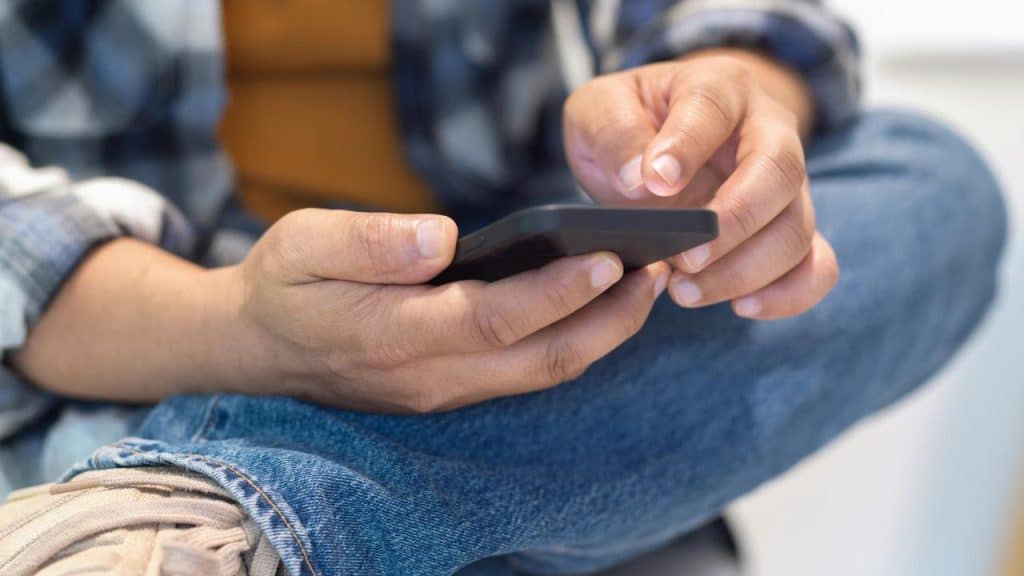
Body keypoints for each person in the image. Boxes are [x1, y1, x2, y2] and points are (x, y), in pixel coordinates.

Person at [0, 1, 1008, 575]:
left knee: (931, 183)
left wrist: (725, 99)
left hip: (505, 319)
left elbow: (708, 18)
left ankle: (224, 513)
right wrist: (237, 330)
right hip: (149, 337)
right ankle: (281, 498)